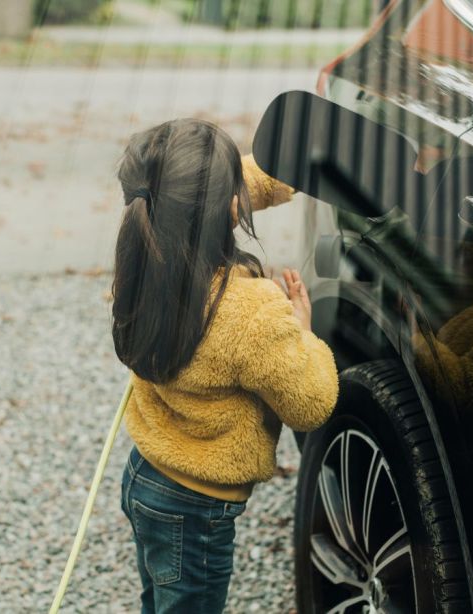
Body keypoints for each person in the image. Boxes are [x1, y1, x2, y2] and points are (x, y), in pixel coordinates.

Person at [111, 118, 339, 613]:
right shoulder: (250, 313)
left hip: (146, 474)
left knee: (160, 599)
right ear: (230, 206)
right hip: (196, 507)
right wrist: (303, 331)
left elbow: (203, 194)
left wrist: (288, 166)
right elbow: (312, 403)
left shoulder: (142, 255)